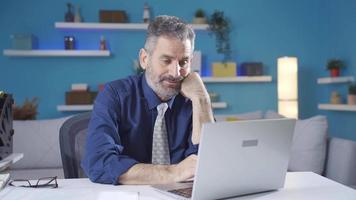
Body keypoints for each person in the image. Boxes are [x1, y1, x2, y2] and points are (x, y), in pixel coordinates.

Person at [81, 15, 214, 185]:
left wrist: (202, 99)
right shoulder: (115, 95)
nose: (175, 72)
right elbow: (99, 163)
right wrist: (173, 172)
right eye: (166, 60)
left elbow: (208, 163)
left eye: (183, 62)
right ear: (145, 59)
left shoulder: (193, 100)